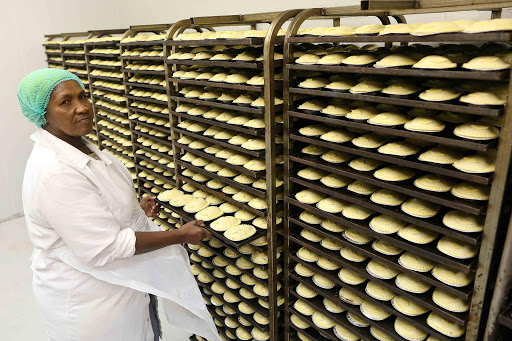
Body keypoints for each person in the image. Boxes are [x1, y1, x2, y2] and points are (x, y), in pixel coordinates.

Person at [18, 68, 218, 341]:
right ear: (43, 114)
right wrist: (179, 236)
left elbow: (91, 207)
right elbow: (105, 246)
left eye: (83, 96)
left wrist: (134, 214)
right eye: (66, 102)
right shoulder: (54, 172)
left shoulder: (80, 146)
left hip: (122, 285)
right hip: (92, 299)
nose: (82, 107)